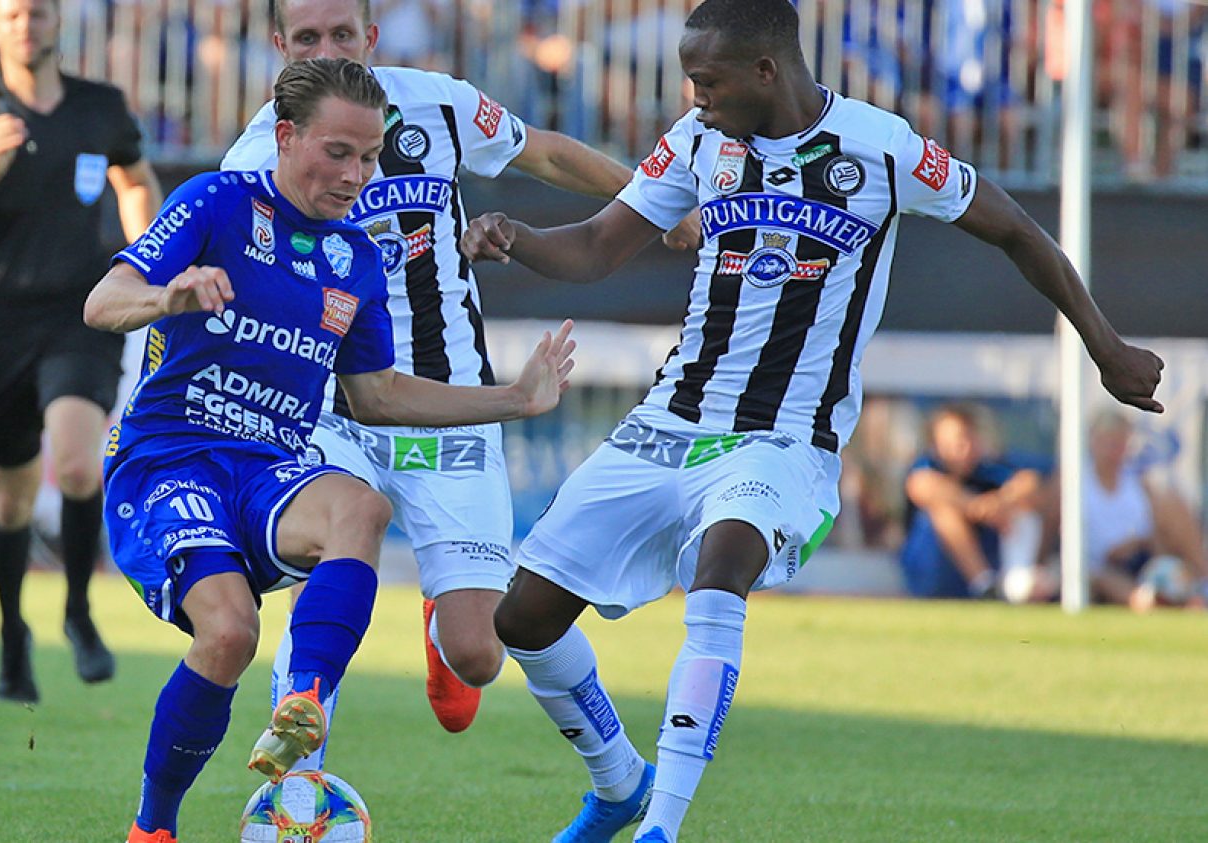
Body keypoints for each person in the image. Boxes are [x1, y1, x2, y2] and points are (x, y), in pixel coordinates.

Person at [459, 2, 1164, 840]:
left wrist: (1105, 345)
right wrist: (516, 235)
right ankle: (620, 786)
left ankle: (663, 828)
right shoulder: (698, 141)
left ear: (767, 71)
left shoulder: (883, 147)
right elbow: (595, 247)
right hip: (670, 421)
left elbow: (1015, 230)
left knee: (722, 567)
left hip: (785, 436)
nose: (695, 95)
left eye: (708, 79)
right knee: (522, 619)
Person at [83, 57, 575, 843]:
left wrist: (512, 400)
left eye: (371, 156)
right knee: (231, 634)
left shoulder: (355, 258)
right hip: (168, 460)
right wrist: (167, 297)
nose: (356, 175)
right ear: (285, 137)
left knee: (361, 505)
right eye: (337, 153)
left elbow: (377, 395)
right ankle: (154, 827)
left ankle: (302, 705)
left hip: (265, 467)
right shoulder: (215, 203)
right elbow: (102, 301)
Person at [218, 0, 671, 746]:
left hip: (450, 403)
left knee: (477, 654)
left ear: (370, 37)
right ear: (279, 47)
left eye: (341, 34)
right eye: (307, 38)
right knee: (329, 560)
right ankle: (296, 776)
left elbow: (548, 155)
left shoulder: (438, 102)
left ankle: (444, 624)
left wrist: (660, 205)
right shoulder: (254, 156)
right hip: (332, 411)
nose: (327, 49)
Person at [0, 0, 163, 704]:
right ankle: (12, 633)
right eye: (14, 14)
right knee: (12, 493)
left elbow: (135, 178)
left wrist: (146, 256)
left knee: (79, 461)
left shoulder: (100, 107)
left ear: (58, 23)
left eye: (40, 12)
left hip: (79, 314)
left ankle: (79, 610)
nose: (28, 25)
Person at [899, 403, 1047, 601]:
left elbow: (1029, 482)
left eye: (967, 438)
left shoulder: (987, 469)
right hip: (931, 569)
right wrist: (977, 507)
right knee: (943, 512)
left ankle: (1018, 582)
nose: (962, 448)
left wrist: (1000, 502)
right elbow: (921, 485)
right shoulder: (927, 466)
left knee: (1023, 509)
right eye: (953, 442)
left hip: (985, 558)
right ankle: (984, 584)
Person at [1084, 410, 1208, 610]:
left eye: (1119, 442)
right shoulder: (1077, 483)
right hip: (1099, 565)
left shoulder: (1138, 484)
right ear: (1093, 441)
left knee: (1173, 508)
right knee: (1102, 577)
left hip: (1140, 559)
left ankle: (1200, 584)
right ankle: (1147, 600)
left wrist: (1143, 543)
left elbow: (1154, 534)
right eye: (1107, 441)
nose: (1113, 450)